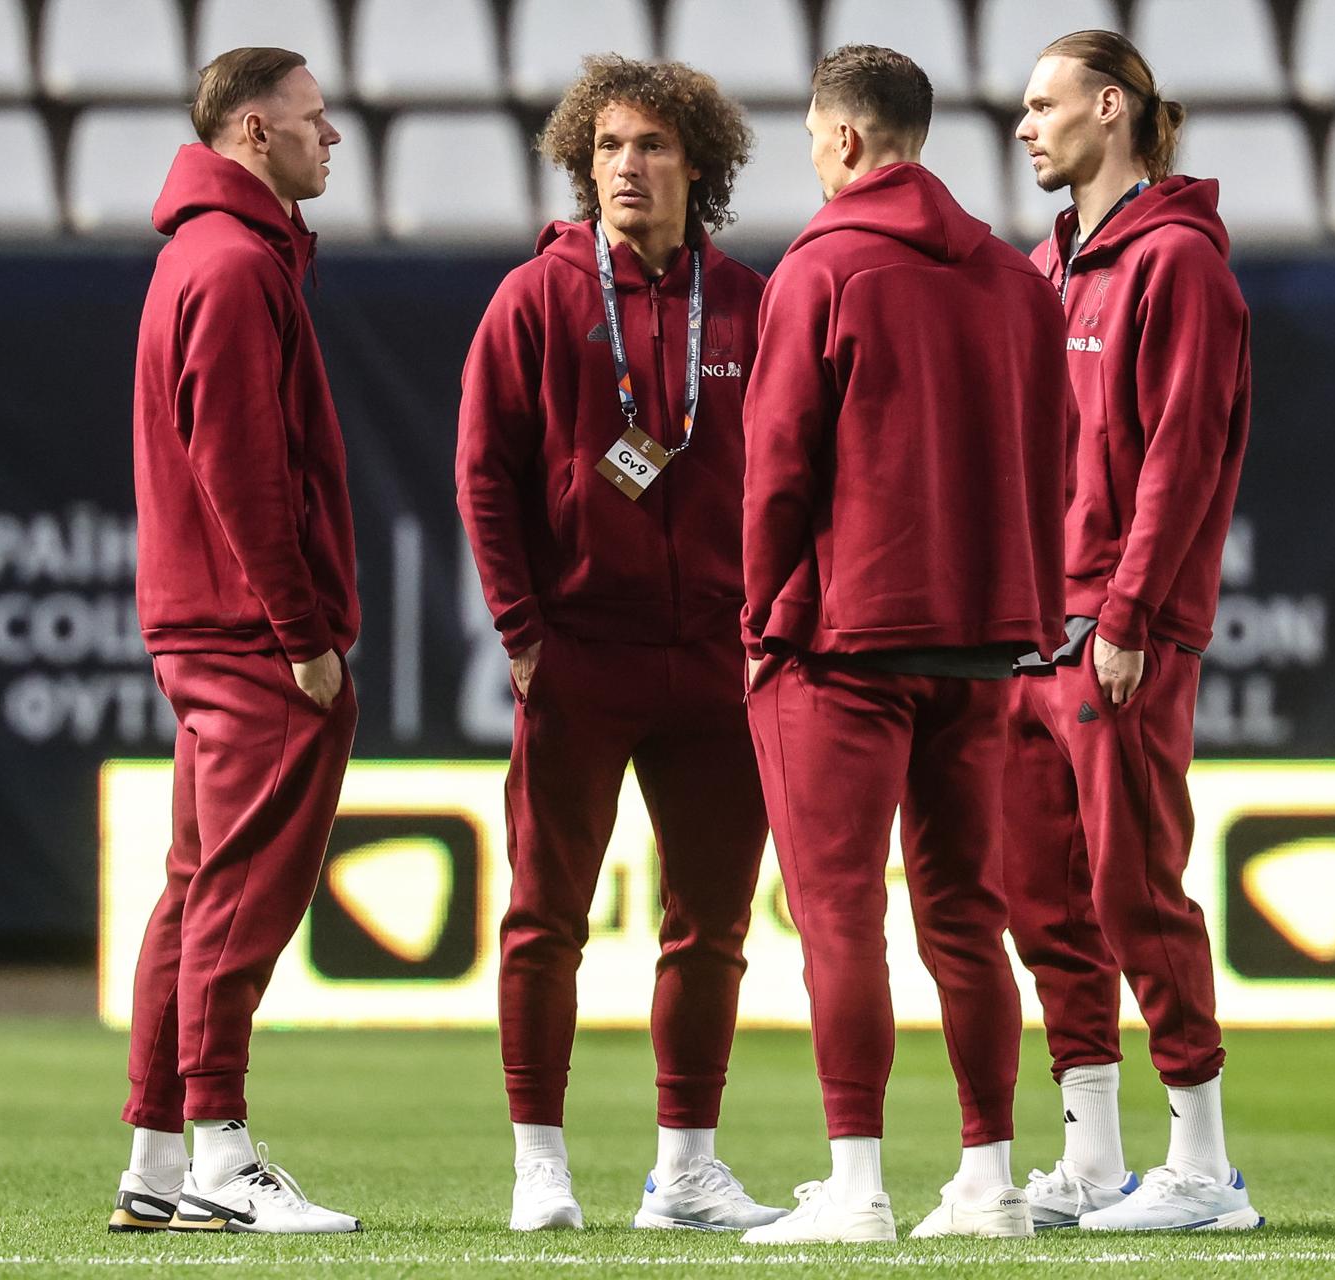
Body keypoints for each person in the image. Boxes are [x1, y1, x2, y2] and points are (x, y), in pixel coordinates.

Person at [738, 45, 1074, 1245]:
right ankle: (991, 1181)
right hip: (982, 642)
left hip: (842, 642)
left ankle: (858, 1188)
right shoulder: (1018, 280)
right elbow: (1054, 457)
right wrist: (1022, 610)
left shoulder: (819, 271)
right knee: (965, 917)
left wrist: (762, 612)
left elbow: (778, 465)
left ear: (839, 143)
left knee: (838, 913)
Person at [456, 54, 785, 1235]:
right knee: (545, 914)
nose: (625, 167)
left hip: (716, 660)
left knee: (712, 925)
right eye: (605, 148)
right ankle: (538, 1160)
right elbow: (484, 474)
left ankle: (686, 1166)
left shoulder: (751, 302)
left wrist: (771, 623)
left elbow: (798, 479)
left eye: (649, 146)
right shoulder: (536, 297)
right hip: (578, 656)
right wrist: (521, 629)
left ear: (699, 161)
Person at [1003, 29, 1261, 1232]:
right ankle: (1096, 1159)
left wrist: (1130, 611)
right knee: (1039, 893)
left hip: (1119, 631)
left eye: (1043, 103)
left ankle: (1204, 1169)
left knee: (1132, 883)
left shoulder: (1180, 265)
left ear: (1111, 109)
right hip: (1033, 626)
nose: (1025, 126)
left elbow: (1181, 455)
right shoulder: (1050, 266)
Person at [112, 47, 360, 1235]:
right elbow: (244, 469)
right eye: (316, 120)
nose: (334, 137)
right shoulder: (231, 264)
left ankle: (159, 1161)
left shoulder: (209, 255)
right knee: (240, 898)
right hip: (248, 631)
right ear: (257, 131)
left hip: (210, 621)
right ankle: (219, 1148)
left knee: (199, 888)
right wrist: (300, 631)